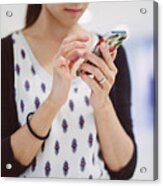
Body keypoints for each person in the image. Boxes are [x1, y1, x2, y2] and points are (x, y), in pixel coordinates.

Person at [1, 3, 137, 179]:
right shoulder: (6, 53)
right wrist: (53, 102)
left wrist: (102, 103)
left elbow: (124, 169)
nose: (77, 3)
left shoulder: (109, 56)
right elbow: (5, 166)